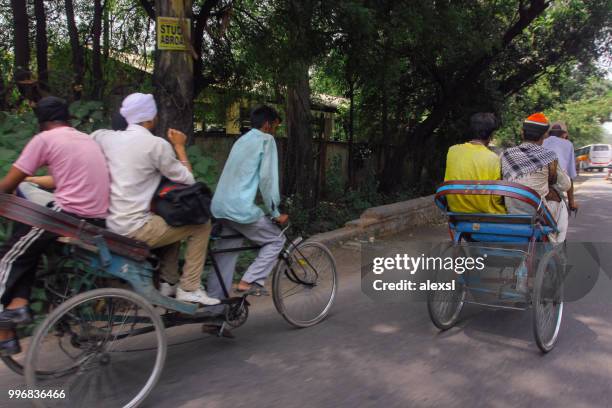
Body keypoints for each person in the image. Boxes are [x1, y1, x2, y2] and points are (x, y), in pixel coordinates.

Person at [0, 96, 110, 356]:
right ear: (67, 119)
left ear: (42, 123)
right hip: (94, 215)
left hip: (68, 215)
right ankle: (18, 304)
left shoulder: (45, 139)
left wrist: (23, 184)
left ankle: (6, 325)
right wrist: (34, 181)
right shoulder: (83, 138)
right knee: (25, 247)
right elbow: (64, 177)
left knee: (6, 257)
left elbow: (9, 183)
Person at [91, 93, 219, 306]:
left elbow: (90, 138)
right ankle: (189, 287)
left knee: (174, 218)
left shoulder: (105, 137)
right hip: (136, 228)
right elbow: (187, 180)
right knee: (201, 225)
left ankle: (169, 280)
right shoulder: (156, 145)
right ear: (150, 119)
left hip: (112, 224)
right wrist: (179, 147)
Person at [208, 105, 288, 299]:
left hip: (220, 207)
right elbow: (267, 180)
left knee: (225, 258)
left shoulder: (241, 140)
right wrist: (275, 213)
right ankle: (249, 281)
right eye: (275, 127)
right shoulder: (265, 140)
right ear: (268, 125)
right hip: (239, 209)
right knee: (277, 240)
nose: (275, 132)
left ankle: (215, 312)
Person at [501, 113, 571, 243]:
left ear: (522, 133)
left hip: (512, 211)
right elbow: (565, 185)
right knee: (561, 205)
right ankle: (556, 244)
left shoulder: (506, 154)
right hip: (537, 214)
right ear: (545, 135)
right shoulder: (549, 156)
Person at [444, 112, 505, 214]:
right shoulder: (493, 159)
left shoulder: (452, 151)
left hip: (456, 211)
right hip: (486, 213)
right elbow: (496, 197)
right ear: (490, 136)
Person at [543, 121, 578, 212]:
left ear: (548, 134)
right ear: (565, 134)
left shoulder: (541, 142)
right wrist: (571, 202)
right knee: (564, 211)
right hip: (556, 185)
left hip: (539, 183)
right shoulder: (568, 144)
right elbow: (570, 175)